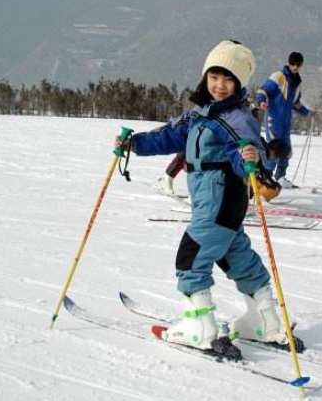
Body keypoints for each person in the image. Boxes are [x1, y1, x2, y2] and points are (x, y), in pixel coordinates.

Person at [114, 40, 296, 353]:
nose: (220, 85)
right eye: (214, 76)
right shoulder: (200, 114)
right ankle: (264, 321)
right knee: (235, 255)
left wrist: (250, 157)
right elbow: (169, 136)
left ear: (238, 83)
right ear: (205, 76)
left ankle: (199, 326)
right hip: (217, 202)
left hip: (220, 197)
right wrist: (135, 144)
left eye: (228, 79)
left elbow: (253, 158)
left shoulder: (237, 118)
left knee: (191, 256)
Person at [156, 138, 290, 202]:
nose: (275, 159)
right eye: (277, 156)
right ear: (275, 152)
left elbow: (262, 174)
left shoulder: (260, 147)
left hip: (228, 175)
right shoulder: (259, 150)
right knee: (190, 155)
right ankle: (172, 182)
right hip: (214, 166)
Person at [257, 52, 310, 188]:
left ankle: (280, 179)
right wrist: (262, 101)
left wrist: (307, 112)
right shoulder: (278, 77)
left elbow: (295, 103)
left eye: (298, 65)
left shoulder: (297, 82)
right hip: (274, 119)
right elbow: (263, 90)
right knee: (273, 149)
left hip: (286, 122)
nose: (295, 67)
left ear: (301, 65)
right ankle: (265, 179)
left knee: (285, 150)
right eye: (293, 64)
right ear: (289, 62)